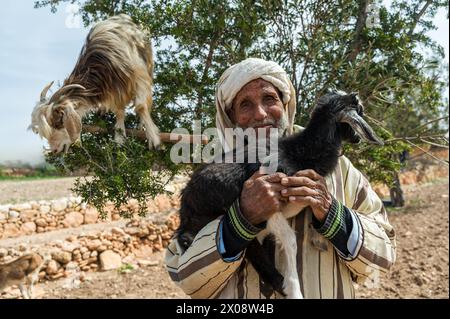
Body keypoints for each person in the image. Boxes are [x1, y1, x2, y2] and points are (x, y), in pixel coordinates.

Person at [165, 58, 396, 299]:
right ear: (231, 117)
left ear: (285, 105)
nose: (261, 113)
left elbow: (383, 260)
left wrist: (331, 213)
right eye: (245, 104)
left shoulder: (342, 173)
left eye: (269, 99)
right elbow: (187, 279)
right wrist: (239, 223)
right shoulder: (211, 180)